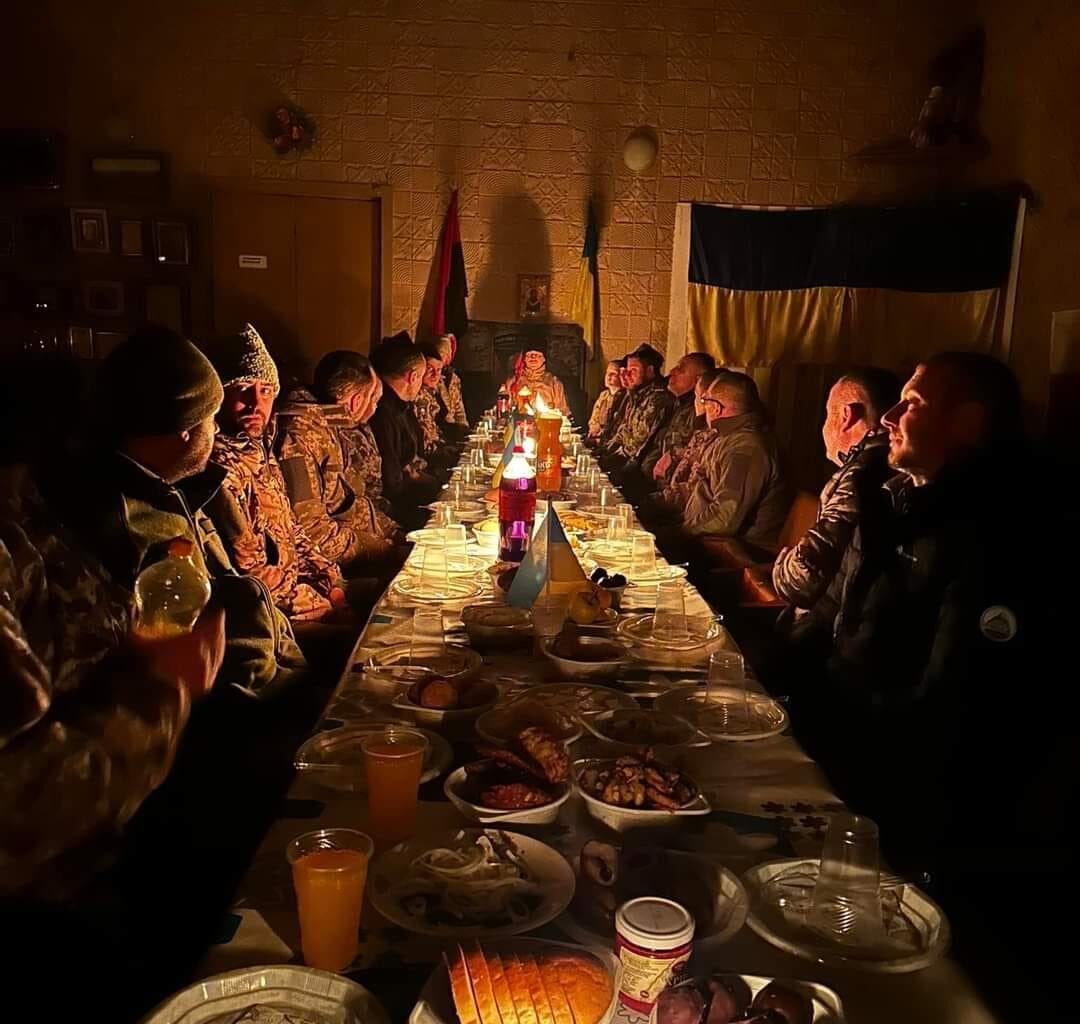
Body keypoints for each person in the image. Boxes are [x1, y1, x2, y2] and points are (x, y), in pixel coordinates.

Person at [0, 467, 221, 901]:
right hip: (56, 894)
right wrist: (160, 688)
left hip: (112, 840)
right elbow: (20, 807)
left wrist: (136, 653)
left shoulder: (26, 491)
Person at [42, 326, 304, 692]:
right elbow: (201, 682)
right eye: (212, 418)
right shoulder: (139, 529)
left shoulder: (174, 491)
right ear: (186, 428)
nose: (217, 432)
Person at [206, 324, 345, 622]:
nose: (256, 404)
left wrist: (330, 582)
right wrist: (319, 604)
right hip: (269, 618)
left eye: (266, 391)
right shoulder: (220, 469)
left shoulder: (259, 453)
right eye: (243, 390)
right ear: (219, 396)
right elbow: (250, 574)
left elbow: (292, 532)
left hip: (300, 596)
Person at [771, 368, 897, 614]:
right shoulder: (889, 465)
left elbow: (802, 580)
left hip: (832, 621)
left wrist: (781, 568)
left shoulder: (861, 475)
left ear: (846, 416)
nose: (825, 425)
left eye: (829, 414)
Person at [275, 351, 403, 576]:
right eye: (373, 399)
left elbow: (350, 501)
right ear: (356, 401)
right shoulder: (298, 435)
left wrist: (395, 533)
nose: (375, 408)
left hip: (349, 543)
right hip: (324, 568)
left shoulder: (327, 424)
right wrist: (383, 550)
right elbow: (312, 530)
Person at [681, 372, 788, 546]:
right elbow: (699, 489)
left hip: (730, 551)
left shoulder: (746, 448)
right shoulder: (725, 437)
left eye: (704, 401)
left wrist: (680, 532)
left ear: (715, 408)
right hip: (701, 539)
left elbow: (724, 517)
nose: (703, 407)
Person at [369, 334, 440, 527]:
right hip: (394, 512)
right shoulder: (381, 411)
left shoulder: (401, 407)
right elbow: (392, 482)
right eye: (422, 377)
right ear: (413, 377)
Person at [641, 351, 716, 479]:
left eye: (680, 369)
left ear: (698, 380)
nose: (672, 371)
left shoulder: (700, 411)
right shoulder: (676, 403)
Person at [602, 344, 675, 468]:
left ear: (650, 371)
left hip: (637, 465)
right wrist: (605, 451)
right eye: (627, 370)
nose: (628, 375)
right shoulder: (638, 394)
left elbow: (636, 442)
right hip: (624, 458)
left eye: (633, 371)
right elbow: (623, 430)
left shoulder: (658, 398)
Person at [504, 342, 570, 415]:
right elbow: (505, 408)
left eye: (538, 355)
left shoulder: (554, 383)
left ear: (544, 359)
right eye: (529, 355)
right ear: (524, 359)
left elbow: (563, 412)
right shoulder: (514, 381)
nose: (533, 357)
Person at [434, 333, 469, 431]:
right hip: (441, 431)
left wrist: (464, 430)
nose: (443, 357)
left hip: (454, 430)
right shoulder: (432, 378)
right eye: (440, 352)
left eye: (446, 353)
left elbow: (459, 410)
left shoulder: (453, 378)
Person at [587, 359, 623, 440]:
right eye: (607, 373)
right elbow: (593, 418)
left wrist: (601, 432)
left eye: (613, 374)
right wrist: (594, 428)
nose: (608, 377)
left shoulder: (624, 398)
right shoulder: (604, 395)